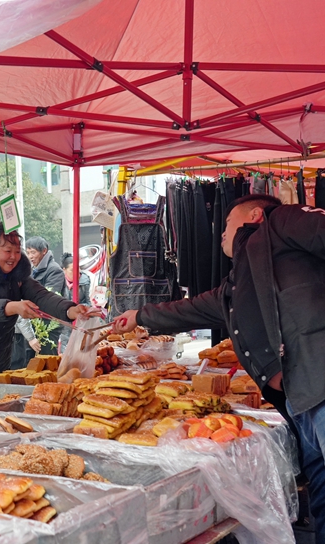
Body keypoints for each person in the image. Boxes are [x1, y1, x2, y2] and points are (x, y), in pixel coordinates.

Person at [111, 194, 325, 541]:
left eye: (226, 223)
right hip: (301, 398)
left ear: (254, 214)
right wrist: (139, 316)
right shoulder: (241, 278)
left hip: (319, 380)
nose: (220, 232)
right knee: (321, 488)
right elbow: (194, 308)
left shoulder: (282, 221)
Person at [0, 221, 97, 379]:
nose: (13, 257)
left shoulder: (16, 275)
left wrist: (71, 310)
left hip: (0, 356)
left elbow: (41, 296)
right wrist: (13, 307)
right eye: (8, 251)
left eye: (17, 251)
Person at [25, 236, 66, 355]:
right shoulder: (34, 270)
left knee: (48, 361)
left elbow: (49, 298)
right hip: (37, 323)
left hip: (48, 324)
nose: (30, 256)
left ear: (44, 251)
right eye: (28, 253)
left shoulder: (54, 270)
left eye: (33, 252)